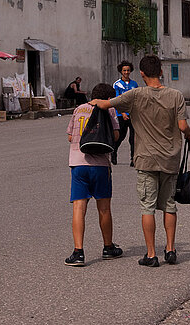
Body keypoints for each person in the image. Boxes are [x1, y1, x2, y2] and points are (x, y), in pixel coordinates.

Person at [91, 55, 190, 267]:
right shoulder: (176, 95)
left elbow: (106, 104)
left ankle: (151, 254)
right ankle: (171, 249)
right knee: (169, 205)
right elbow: (183, 126)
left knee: (147, 207)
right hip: (170, 158)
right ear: (162, 72)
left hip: (146, 159)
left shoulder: (135, 95)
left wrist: (93, 102)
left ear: (143, 74)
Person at [65, 83, 122, 266]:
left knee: (78, 208)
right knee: (104, 208)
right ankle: (108, 247)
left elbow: (70, 137)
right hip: (100, 165)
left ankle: (78, 252)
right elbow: (114, 136)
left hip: (78, 163)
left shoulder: (79, 109)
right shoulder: (109, 110)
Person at [112, 60, 139, 166]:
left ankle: (133, 159)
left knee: (133, 138)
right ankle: (114, 153)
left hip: (132, 114)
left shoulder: (134, 84)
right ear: (121, 71)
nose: (126, 72)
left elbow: (136, 99)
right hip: (121, 115)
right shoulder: (117, 84)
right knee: (120, 136)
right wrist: (122, 113)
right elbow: (117, 100)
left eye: (128, 70)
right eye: (124, 70)